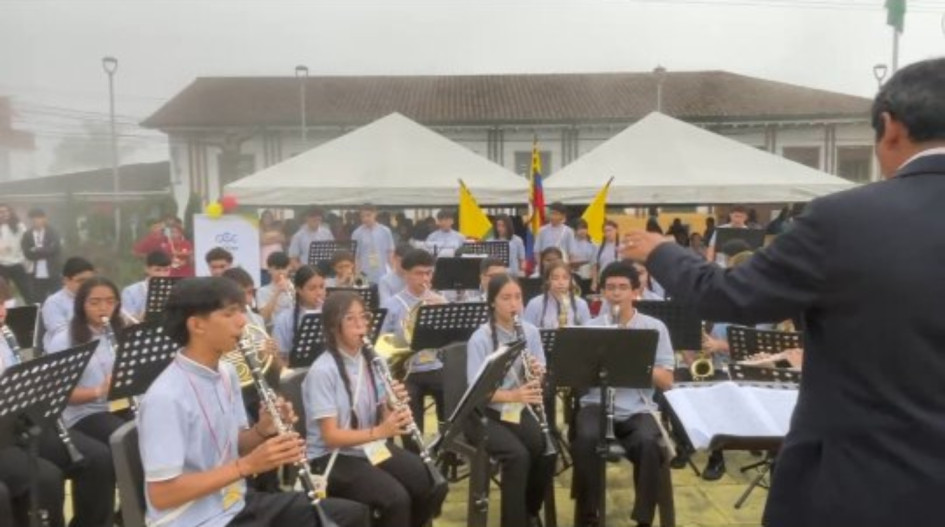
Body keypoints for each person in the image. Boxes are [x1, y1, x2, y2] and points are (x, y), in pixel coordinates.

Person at [621, 57, 945, 527]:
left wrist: (660, 252)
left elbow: (729, 297)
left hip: (860, 487)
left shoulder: (844, 220)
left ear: (890, 127)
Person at [137, 277, 368, 527]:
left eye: (242, 311)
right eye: (230, 314)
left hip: (233, 502)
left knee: (350, 515)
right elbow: (162, 495)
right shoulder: (165, 398)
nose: (243, 321)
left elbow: (234, 444)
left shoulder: (227, 373)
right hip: (195, 519)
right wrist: (247, 465)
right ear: (196, 325)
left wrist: (262, 430)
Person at [303, 291, 438, 527]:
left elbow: (381, 415)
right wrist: (381, 432)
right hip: (331, 457)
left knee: (428, 481)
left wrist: (391, 405)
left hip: (367, 446)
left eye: (363, 317)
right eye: (350, 319)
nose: (361, 325)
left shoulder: (375, 360)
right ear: (334, 327)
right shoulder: (322, 371)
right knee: (395, 499)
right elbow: (331, 436)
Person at [572, 260, 674, 527]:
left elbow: (667, 380)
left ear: (634, 292)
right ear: (603, 292)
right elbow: (574, 375)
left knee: (649, 443)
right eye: (610, 287)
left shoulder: (654, 328)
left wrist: (636, 360)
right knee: (585, 439)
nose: (616, 293)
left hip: (638, 407)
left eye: (622, 287)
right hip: (596, 403)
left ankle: (643, 519)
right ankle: (588, 515)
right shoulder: (591, 327)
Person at [466, 274, 554, 527]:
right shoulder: (480, 338)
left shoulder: (530, 332)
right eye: (506, 298)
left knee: (546, 451)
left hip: (515, 409)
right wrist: (514, 395)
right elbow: (475, 392)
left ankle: (529, 509)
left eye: (518, 297)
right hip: (483, 413)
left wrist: (537, 374)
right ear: (492, 302)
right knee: (518, 456)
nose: (514, 304)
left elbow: (541, 374)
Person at [45, 277, 129, 525]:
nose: (104, 308)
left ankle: (130, 513)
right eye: (95, 302)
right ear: (81, 305)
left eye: (110, 301)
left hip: (117, 406)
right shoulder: (65, 339)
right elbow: (58, 395)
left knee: (152, 432)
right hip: (82, 414)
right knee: (119, 441)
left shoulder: (119, 332)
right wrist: (97, 391)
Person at [0, 277, 67, 527]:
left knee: (93, 458)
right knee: (45, 478)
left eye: (3, 304)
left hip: (12, 427)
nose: (1, 312)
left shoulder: (5, 339)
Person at [380, 249, 445, 433]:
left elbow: (450, 341)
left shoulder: (439, 300)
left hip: (435, 366)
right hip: (407, 371)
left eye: (429, 273)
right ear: (405, 274)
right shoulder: (392, 305)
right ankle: (416, 454)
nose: (425, 278)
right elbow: (383, 346)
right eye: (419, 273)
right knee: (411, 421)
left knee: (455, 403)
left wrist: (443, 309)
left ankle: (448, 451)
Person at [273, 265, 327, 360]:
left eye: (322, 287)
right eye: (312, 288)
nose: (319, 293)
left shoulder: (330, 313)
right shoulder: (284, 319)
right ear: (299, 290)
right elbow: (280, 356)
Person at [40, 256, 95, 350]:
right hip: (66, 351)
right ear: (65, 280)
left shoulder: (98, 298)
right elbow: (62, 335)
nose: (87, 285)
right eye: (81, 281)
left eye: (90, 280)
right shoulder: (53, 302)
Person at [523, 261, 590, 328]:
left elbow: (588, 334)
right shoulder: (534, 304)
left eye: (565, 278)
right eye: (555, 278)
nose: (561, 282)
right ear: (547, 280)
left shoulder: (581, 304)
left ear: (570, 280)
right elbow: (527, 332)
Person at [20, 208, 62, 304]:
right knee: (39, 301)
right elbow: (27, 253)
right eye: (33, 219)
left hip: (53, 272)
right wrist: (44, 250)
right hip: (36, 274)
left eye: (38, 218)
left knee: (57, 299)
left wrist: (36, 250)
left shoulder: (53, 232)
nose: (36, 221)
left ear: (44, 219)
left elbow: (54, 249)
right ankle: (40, 319)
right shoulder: (27, 235)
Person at [121, 250, 172, 322]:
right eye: (157, 270)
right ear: (147, 269)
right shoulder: (130, 291)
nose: (162, 274)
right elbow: (125, 320)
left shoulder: (175, 290)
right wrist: (145, 315)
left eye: (166, 270)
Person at [351, 204, 395, 284]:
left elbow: (390, 252)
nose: (365, 219)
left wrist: (393, 271)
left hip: (382, 270)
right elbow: (356, 256)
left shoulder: (385, 231)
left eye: (368, 215)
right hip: (364, 270)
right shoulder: (357, 233)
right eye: (362, 216)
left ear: (375, 214)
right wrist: (357, 274)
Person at [0, 204, 30, 303]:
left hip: (17, 263)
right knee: (3, 293)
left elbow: (27, 242)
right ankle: (5, 316)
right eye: (1, 212)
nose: (3, 214)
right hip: (2, 265)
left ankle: (34, 314)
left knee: (26, 291)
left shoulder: (19, 226)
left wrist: (24, 259)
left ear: (10, 212)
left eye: (6, 211)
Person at [255, 251, 294, 324]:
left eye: (284, 268)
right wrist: (277, 292)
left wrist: (292, 291)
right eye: (277, 268)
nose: (281, 272)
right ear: (269, 270)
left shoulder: (294, 287)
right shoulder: (262, 291)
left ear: (288, 269)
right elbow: (264, 317)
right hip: (272, 327)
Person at [259, 210, 285, 285]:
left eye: (270, 217)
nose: (268, 219)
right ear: (262, 218)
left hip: (278, 263)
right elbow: (262, 240)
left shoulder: (277, 228)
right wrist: (276, 238)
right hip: (264, 264)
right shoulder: (259, 229)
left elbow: (283, 238)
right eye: (266, 217)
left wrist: (268, 239)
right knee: (265, 284)